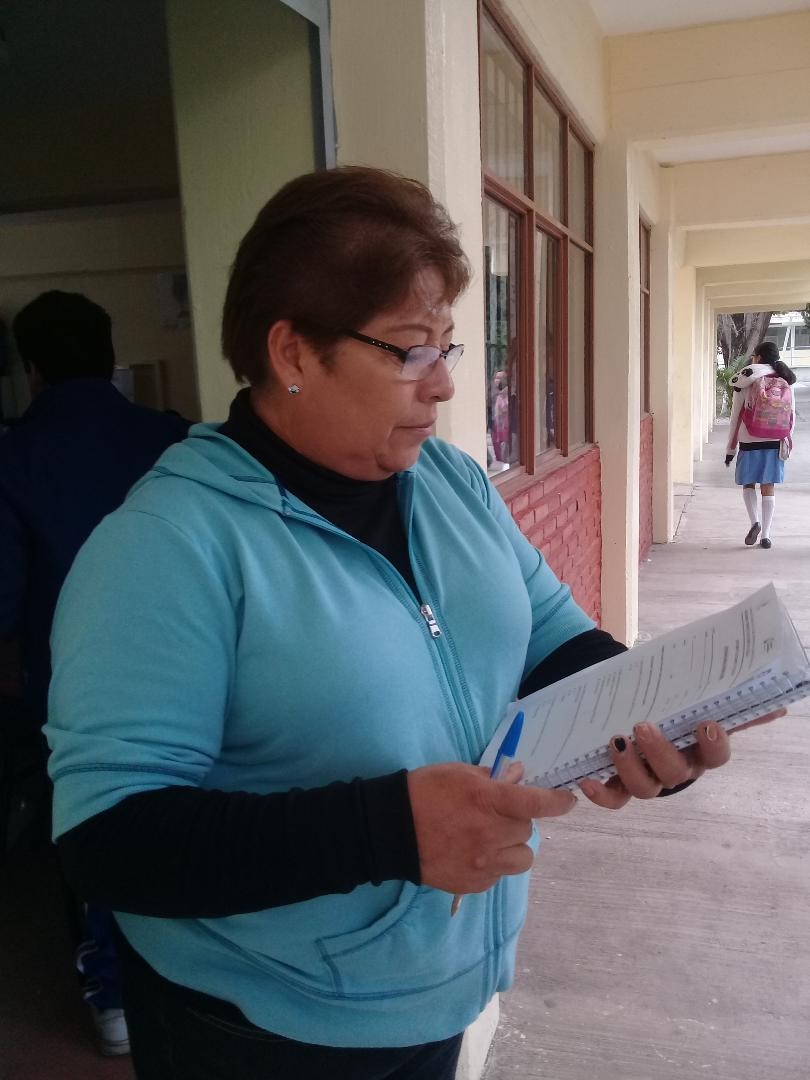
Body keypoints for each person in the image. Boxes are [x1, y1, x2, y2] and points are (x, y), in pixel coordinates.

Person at [44, 168, 779, 1080]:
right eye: (408, 350)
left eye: (447, 347)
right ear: (293, 353)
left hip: (436, 986)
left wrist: (653, 718)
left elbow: (553, 640)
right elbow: (109, 840)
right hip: (258, 1029)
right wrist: (387, 830)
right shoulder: (167, 546)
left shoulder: (450, 484)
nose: (441, 387)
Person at [0, 290, 190, 1055]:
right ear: (109, 356)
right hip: (188, 667)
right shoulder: (175, 439)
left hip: (73, 689)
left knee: (95, 821)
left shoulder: (13, 458)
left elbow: (4, 598)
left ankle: (113, 995)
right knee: (188, 812)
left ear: (33, 369)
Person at [725, 340, 796, 549]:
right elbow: (790, 416)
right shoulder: (786, 379)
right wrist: (786, 442)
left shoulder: (744, 381)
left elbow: (735, 418)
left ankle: (754, 522)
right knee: (768, 486)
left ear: (759, 358)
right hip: (775, 441)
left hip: (749, 440)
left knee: (748, 483)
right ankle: (766, 536)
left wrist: (730, 449)